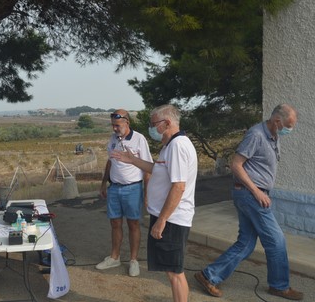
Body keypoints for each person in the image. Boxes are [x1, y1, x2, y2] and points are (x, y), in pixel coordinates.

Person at [194, 104, 303, 301]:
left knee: (246, 243)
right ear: (277, 121)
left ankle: (208, 275)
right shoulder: (256, 135)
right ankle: (279, 286)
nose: (290, 130)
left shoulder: (273, 134)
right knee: (277, 241)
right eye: (288, 126)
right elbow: (236, 165)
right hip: (250, 194)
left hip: (251, 193)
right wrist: (256, 192)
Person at [111, 104, 197, 302]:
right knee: (171, 271)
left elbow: (179, 187)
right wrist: (132, 160)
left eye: (153, 124)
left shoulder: (177, 146)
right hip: (168, 217)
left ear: (166, 123)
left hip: (173, 219)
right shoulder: (171, 145)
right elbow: (157, 170)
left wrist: (162, 220)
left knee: (175, 273)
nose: (151, 128)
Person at [96, 109, 152, 277]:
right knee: (115, 224)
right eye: (113, 125)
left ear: (127, 122)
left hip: (133, 189)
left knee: (133, 224)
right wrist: (104, 183)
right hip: (114, 188)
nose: (114, 129)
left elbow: (148, 168)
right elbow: (110, 162)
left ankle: (134, 260)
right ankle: (115, 257)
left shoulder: (139, 139)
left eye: (117, 125)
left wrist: (147, 194)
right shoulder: (112, 140)